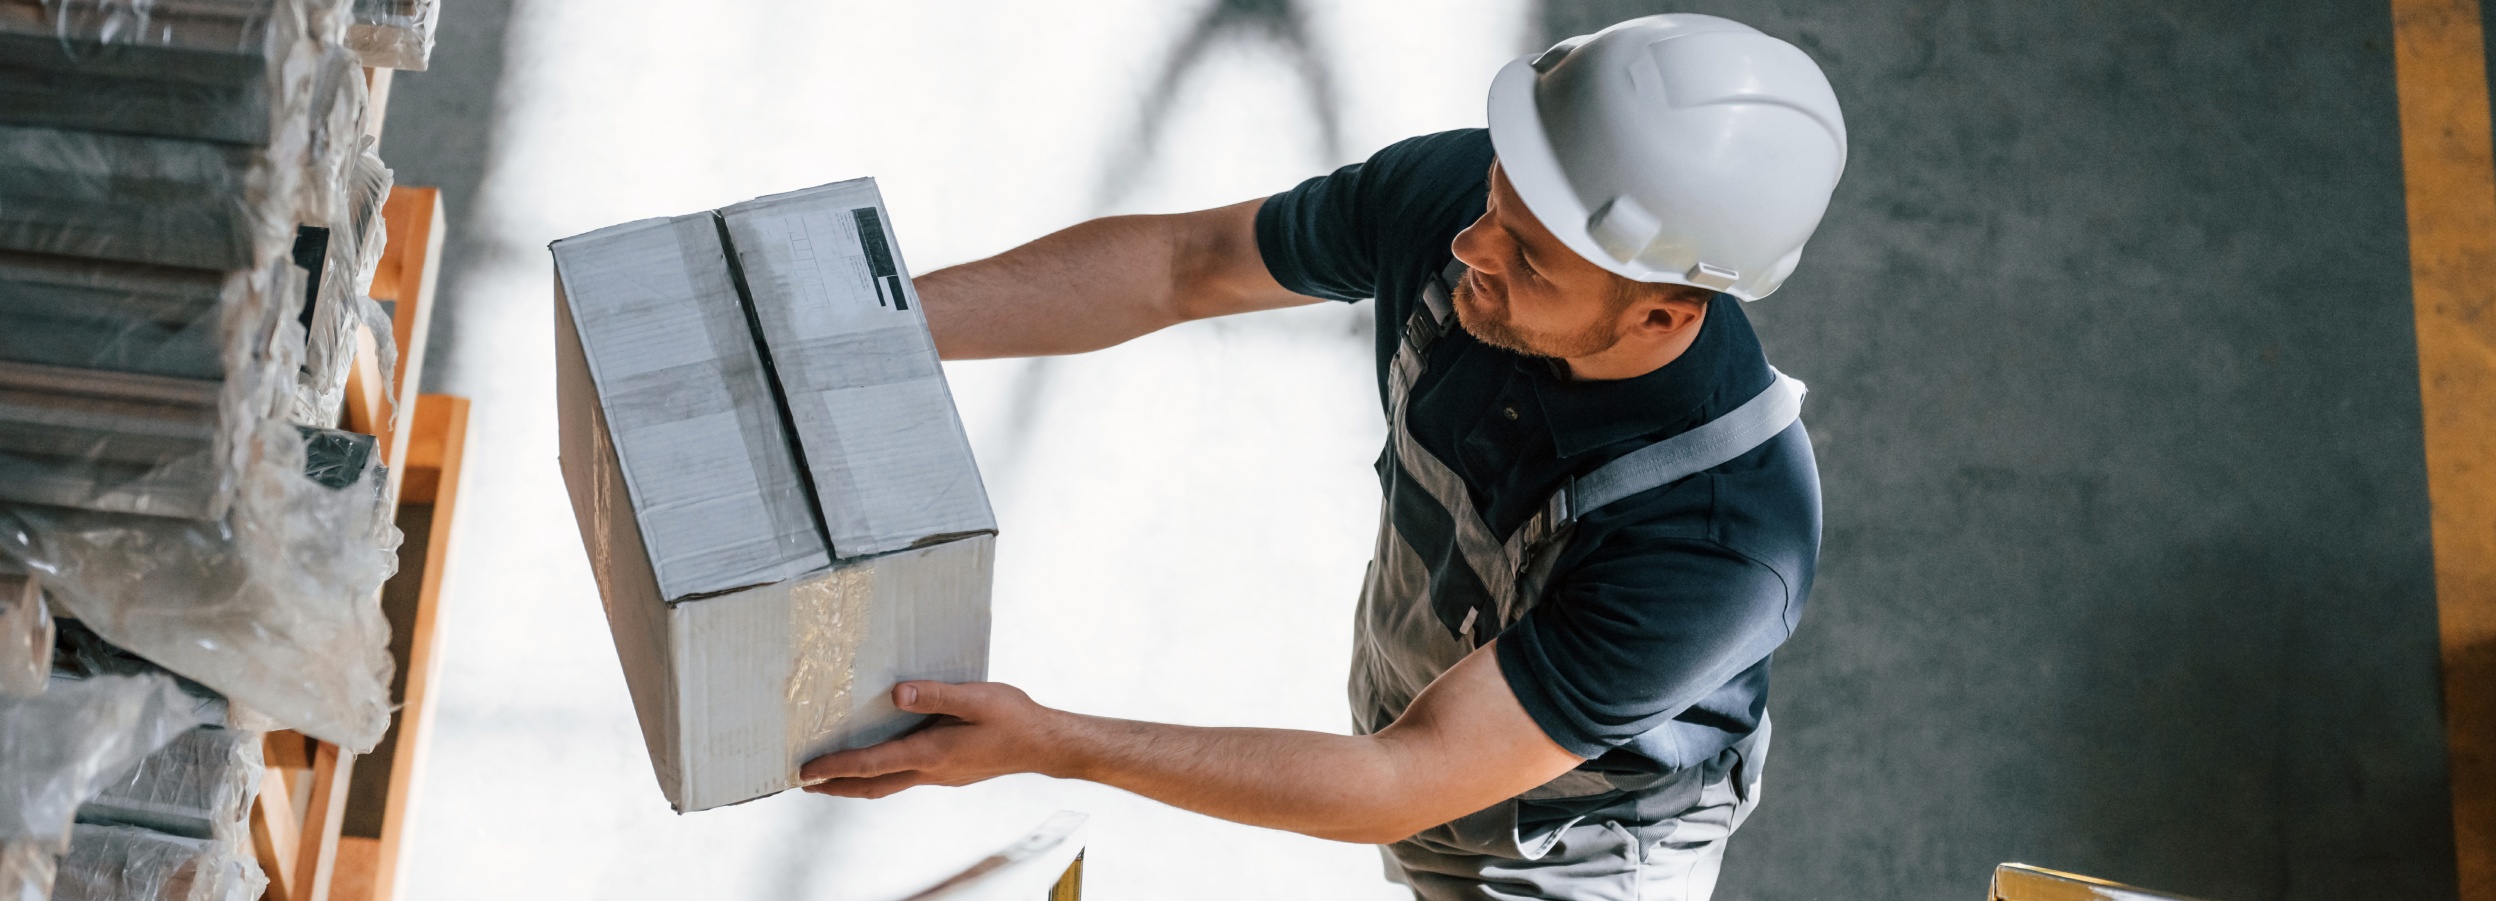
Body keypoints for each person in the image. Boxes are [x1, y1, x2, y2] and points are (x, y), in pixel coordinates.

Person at [801, 13, 1848, 899]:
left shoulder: (1715, 543)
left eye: (1528, 258)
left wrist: (1054, 742)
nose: (1471, 247)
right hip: (1413, 733)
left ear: (1662, 316)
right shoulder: (1462, 203)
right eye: (1500, 195)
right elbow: (1186, 263)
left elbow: (1403, 778)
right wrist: (857, 335)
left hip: (1568, 854)